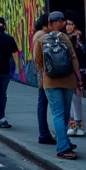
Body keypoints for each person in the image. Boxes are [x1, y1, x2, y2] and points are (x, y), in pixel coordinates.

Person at [33, 11, 83, 160]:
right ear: (59, 23)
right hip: (68, 81)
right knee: (66, 114)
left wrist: (46, 72)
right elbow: (74, 59)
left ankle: (63, 146)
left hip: (50, 82)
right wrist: (79, 79)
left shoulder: (41, 39)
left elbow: (38, 61)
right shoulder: (65, 38)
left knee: (57, 114)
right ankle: (64, 142)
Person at [33, 14, 55, 145]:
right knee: (44, 103)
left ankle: (44, 132)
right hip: (44, 76)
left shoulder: (39, 34)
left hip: (43, 74)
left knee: (43, 103)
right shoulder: (41, 35)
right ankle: (44, 133)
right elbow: (39, 58)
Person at [65, 16, 86, 138]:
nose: (70, 26)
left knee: (76, 99)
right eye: (68, 24)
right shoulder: (64, 38)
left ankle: (78, 125)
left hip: (76, 71)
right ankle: (73, 125)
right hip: (68, 72)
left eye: (72, 24)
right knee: (71, 99)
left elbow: (81, 56)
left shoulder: (77, 38)